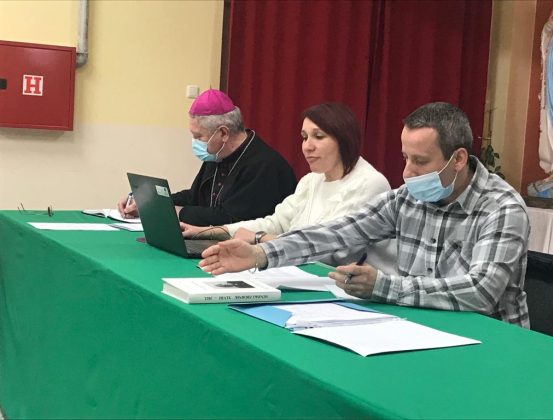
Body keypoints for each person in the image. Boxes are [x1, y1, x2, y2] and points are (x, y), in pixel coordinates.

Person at [199, 102, 531, 327]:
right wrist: (261, 253)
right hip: (423, 327)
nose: (407, 173)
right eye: (405, 158)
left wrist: (384, 287)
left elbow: (480, 291)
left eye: (420, 161)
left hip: (491, 341)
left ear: (458, 159)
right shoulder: (407, 198)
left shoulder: (501, 208)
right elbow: (337, 233)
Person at [181, 102, 395, 268]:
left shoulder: (369, 183)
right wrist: (209, 231)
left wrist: (260, 239)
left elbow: (333, 250)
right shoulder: (312, 180)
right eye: (304, 137)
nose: (307, 147)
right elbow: (276, 222)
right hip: (300, 274)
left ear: (344, 139)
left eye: (318, 137)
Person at [118, 89, 297, 225]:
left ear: (223, 133)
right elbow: (194, 197)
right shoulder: (218, 154)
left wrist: (174, 212)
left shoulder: (264, 166)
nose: (195, 142)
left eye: (198, 136)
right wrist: (147, 202)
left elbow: (231, 218)